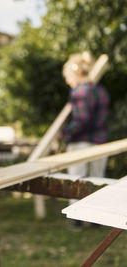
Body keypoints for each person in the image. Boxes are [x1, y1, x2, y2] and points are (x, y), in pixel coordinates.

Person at [62, 51, 110, 229]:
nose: (67, 81)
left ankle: (77, 219)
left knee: (77, 180)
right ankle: (96, 218)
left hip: (81, 142)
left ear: (75, 73)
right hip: (100, 141)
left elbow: (82, 119)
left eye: (67, 76)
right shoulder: (101, 90)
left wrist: (66, 133)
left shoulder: (81, 91)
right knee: (97, 179)